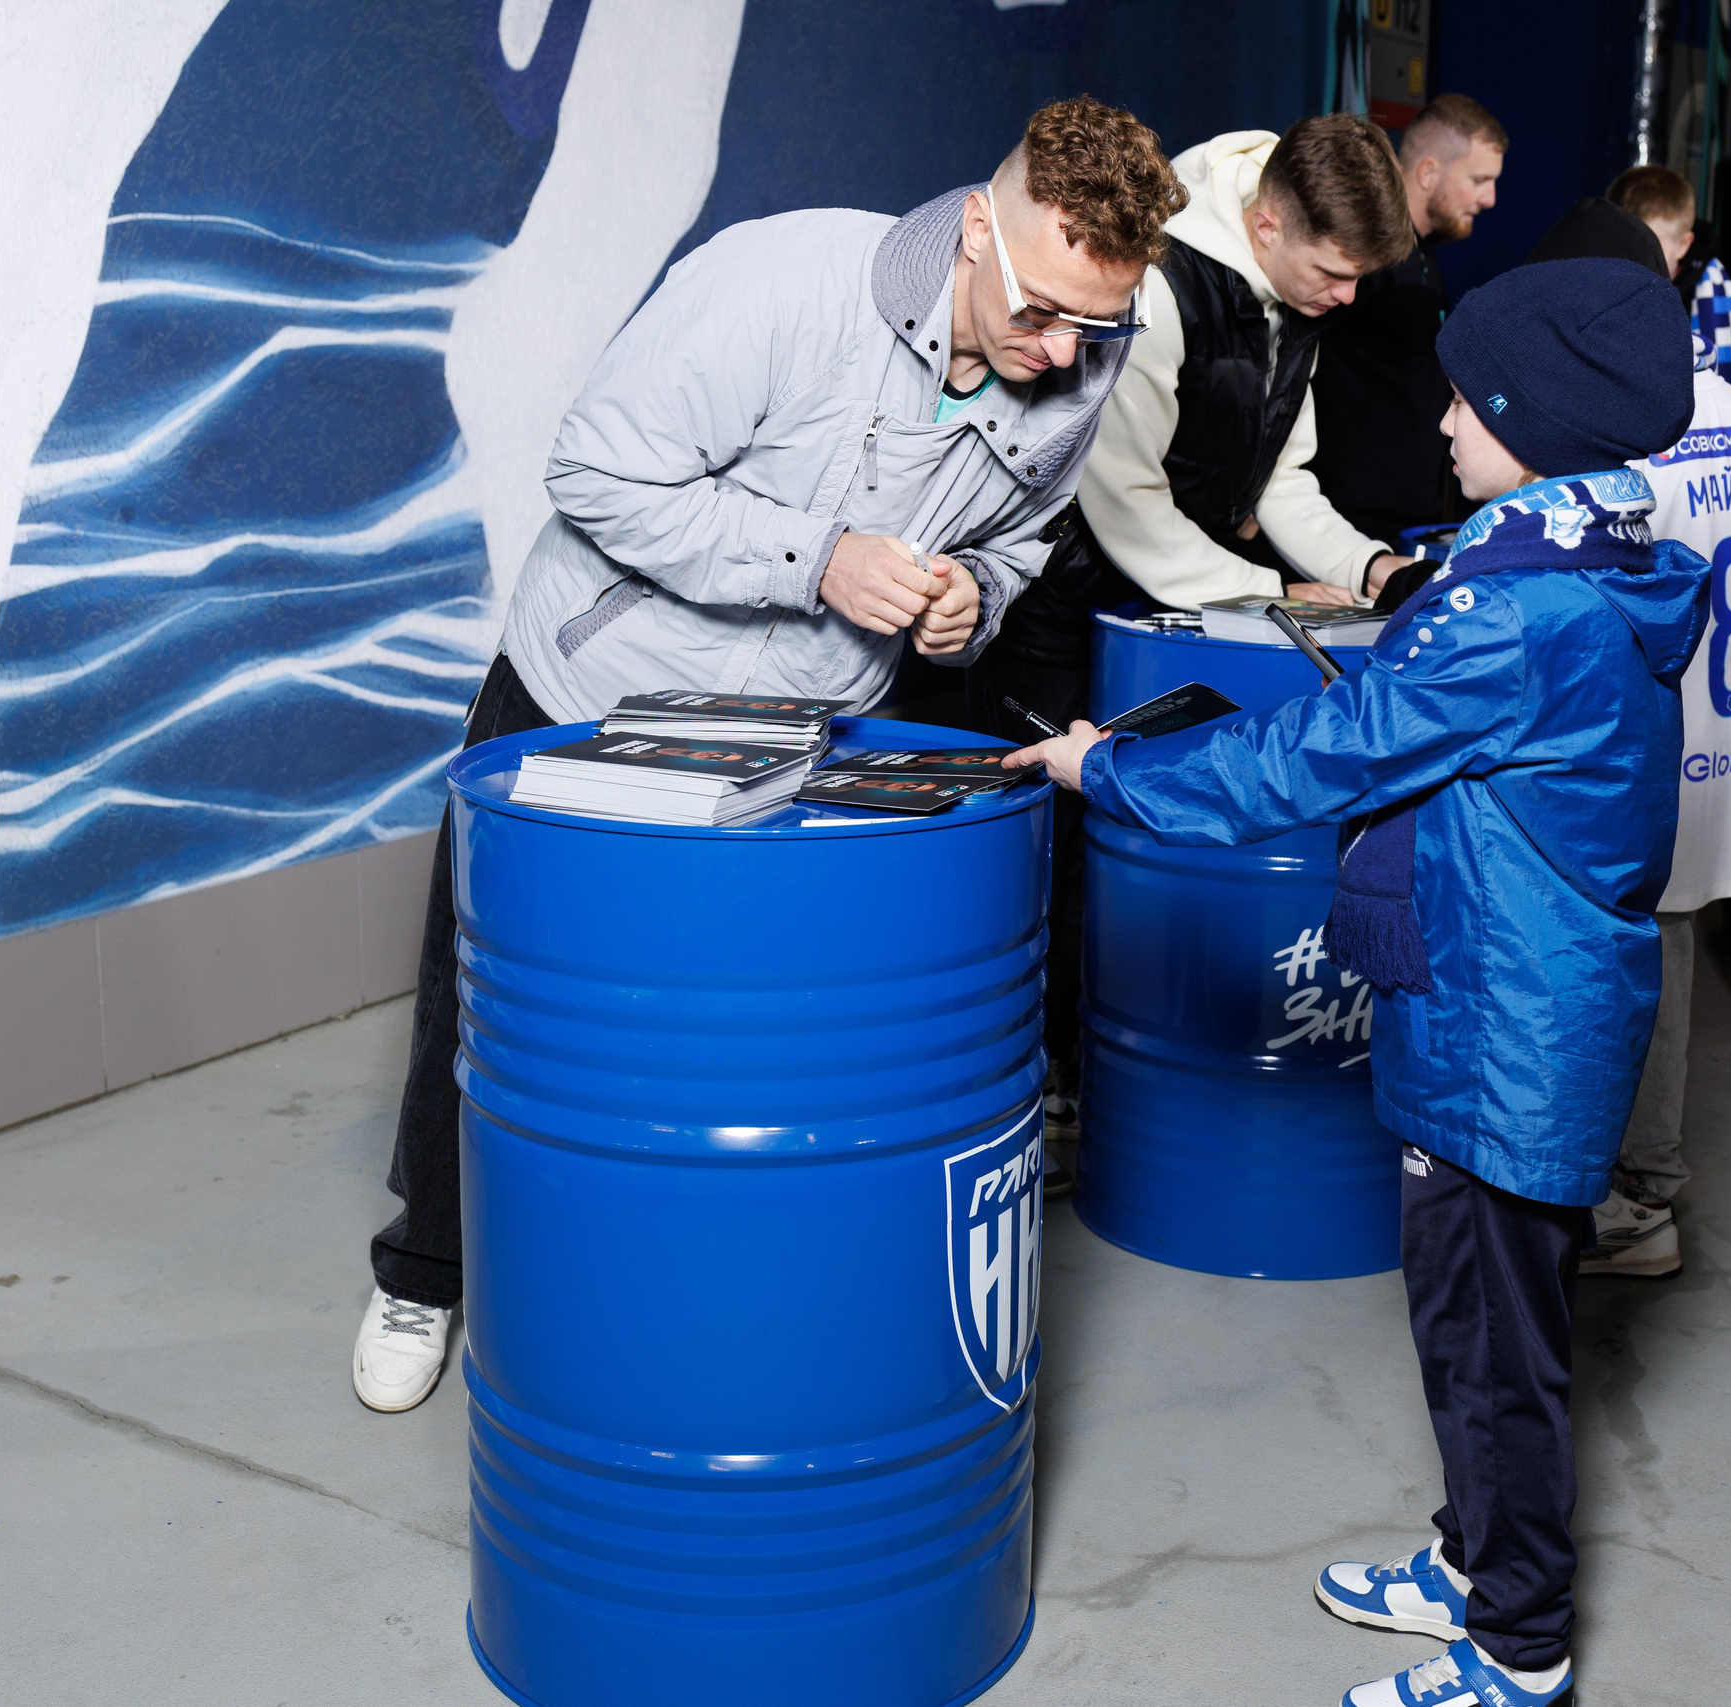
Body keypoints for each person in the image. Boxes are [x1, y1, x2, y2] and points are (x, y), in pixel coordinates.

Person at [348, 97, 1187, 1414]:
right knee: (486, 1008)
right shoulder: (781, 282)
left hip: (798, 734)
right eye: (1041, 312)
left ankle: (647, 1291)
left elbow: (1022, 535)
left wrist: (975, 589)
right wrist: (817, 562)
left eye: (1100, 323)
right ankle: (424, 1268)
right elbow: (598, 472)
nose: (1065, 350)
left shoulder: (1077, 352)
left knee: (710, 1036)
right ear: (978, 231)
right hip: (590, 695)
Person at [1007, 256, 1703, 1707]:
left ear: (1539, 419)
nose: (1442, 417)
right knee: (1461, 1318)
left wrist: (1112, 764)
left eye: (1468, 395)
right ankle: (1467, 1557)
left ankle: (1520, 1639)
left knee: (1498, 1348)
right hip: (1503, 1002)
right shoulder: (1576, 559)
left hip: (1512, 1031)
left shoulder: (1520, 616)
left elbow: (1315, 761)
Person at [961, 113, 1421, 1144]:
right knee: (1054, 848)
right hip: (1062, 599)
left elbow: (1284, 482)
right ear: (1264, 224)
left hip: (1186, 603)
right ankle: (1028, 1089)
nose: (1347, 299)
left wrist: (1374, 571)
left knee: (1144, 833)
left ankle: (1097, 1089)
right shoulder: (1162, 286)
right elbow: (1120, 500)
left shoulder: (1297, 290)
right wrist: (1263, 590)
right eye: (1336, 273)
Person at [1526, 196, 1731, 1279]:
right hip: (1730, 746)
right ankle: (1639, 1188)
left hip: (1629, 746)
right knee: (1669, 951)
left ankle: (1627, 1198)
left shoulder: (1597, 418)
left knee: (1602, 961)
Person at [1308, 93, 1508, 548]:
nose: (1490, 198)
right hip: (1347, 518)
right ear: (1429, 172)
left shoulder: (1423, 256)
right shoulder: (1367, 257)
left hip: (1408, 514)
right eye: (1479, 179)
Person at [1605, 164, 1731, 406]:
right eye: (1622, 242)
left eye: (1650, 245)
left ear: (1684, 245)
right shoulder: (1592, 296)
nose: (1634, 256)